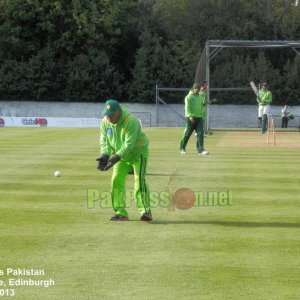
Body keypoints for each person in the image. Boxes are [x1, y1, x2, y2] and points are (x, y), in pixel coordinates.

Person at [96, 99, 152, 221]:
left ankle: (145, 211)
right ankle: (121, 213)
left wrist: (115, 157)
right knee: (116, 181)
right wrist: (105, 155)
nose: (108, 117)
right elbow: (104, 140)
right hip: (120, 155)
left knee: (139, 180)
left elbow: (129, 145)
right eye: (106, 114)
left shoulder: (131, 121)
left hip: (138, 153)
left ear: (118, 112)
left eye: (111, 114)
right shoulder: (105, 121)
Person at [179, 83, 208, 155]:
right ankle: (182, 148)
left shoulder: (199, 97)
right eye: (195, 88)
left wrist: (201, 116)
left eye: (198, 89)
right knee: (187, 134)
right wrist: (190, 116)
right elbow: (187, 108)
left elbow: (202, 105)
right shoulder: (188, 97)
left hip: (199, 118)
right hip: (191, 118)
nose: (197, 90)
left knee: (200, 133)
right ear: (193, 88)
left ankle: (200, 149)